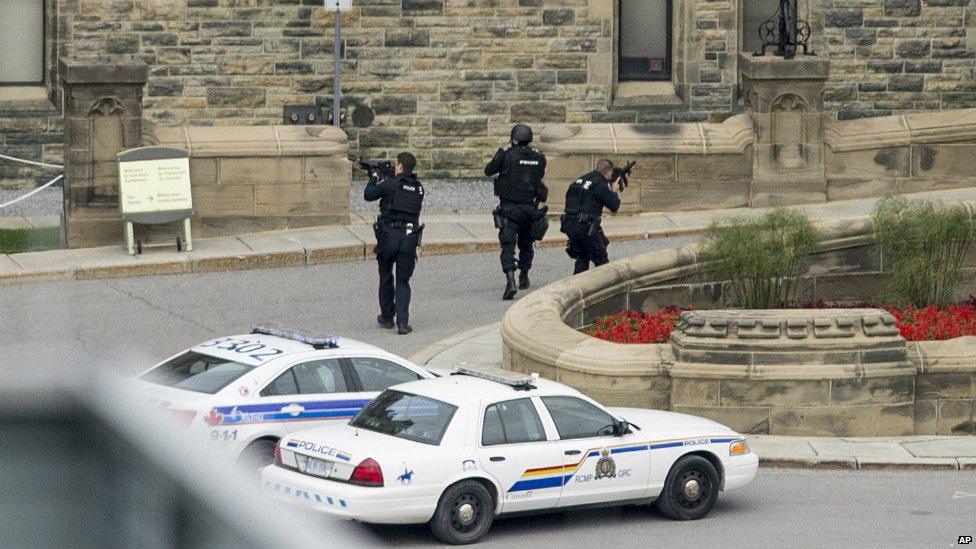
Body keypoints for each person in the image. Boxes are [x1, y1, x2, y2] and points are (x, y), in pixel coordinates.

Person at [485, 123, 549, 300]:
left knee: (507, 246)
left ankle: (510, 280)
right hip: (530, 210)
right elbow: (540, 177)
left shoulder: (506, 156)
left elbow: (488, 171)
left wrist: (500, 156)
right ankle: (524, 276)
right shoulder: (539, 157)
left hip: (509, 209)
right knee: (526, 244)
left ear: (513, 139)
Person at [364, 152, 425, 335]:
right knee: (403, 281)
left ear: (399, 166)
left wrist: (375, 178)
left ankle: (387, 317)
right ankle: (403, 323)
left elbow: (369, 195)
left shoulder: (389, 185)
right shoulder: (418, 188)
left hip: (389, 236)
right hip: (409, 237)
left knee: (386, 275)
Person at [561, 159, 622, 274]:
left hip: (569, 224)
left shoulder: (580, 180)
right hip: (585, 226)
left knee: (583, 256)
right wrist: (613, 190)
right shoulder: (601, 184)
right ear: (608, 172)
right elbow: (615, 206)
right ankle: (606, 288)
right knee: (601, 258)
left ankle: (577, 286)